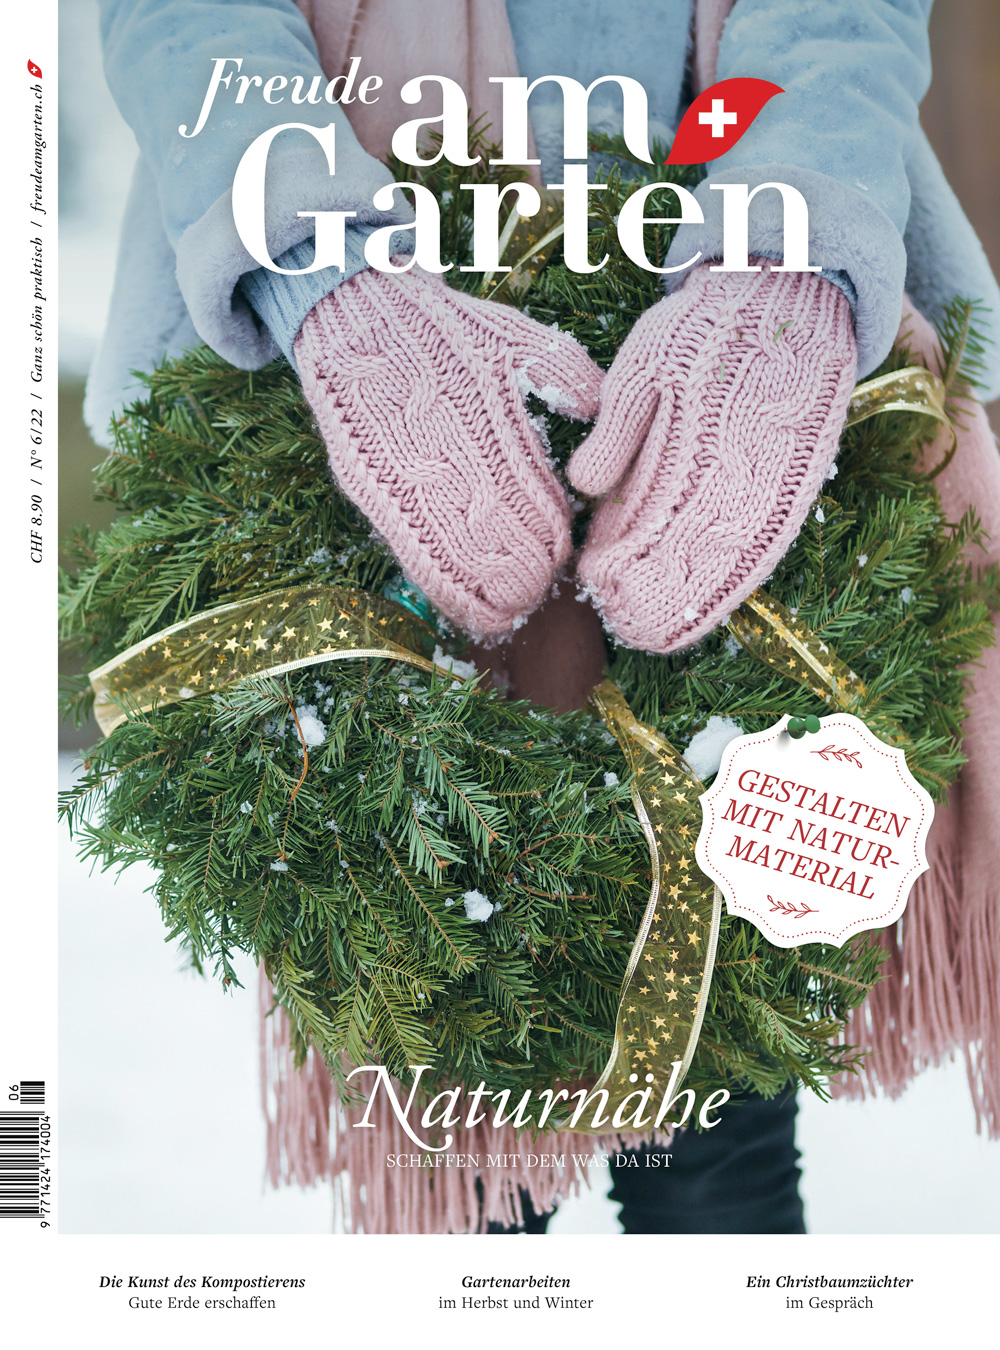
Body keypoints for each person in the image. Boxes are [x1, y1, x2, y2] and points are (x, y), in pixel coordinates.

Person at [89, 0, 1000, 1232]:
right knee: (454, 1094)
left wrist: (786, 269)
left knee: (721, 1106)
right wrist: (328, 277)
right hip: (345, 364)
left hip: (713, 328)